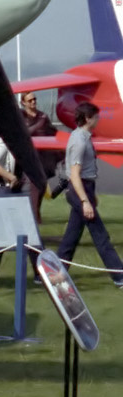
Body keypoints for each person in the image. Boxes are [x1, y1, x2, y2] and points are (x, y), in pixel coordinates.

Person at [56, 101, 123, 288]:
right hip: (80, 190)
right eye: (96, 116)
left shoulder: (84, 137)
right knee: (100, 235)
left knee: (72, 235)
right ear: (88, 118)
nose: (98, 119)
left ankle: (57, 273)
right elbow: (75, 174)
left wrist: (90, 196)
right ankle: (119, 275)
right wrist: (85, 200)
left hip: (86, 189)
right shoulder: (78, 141)